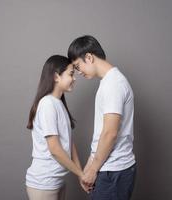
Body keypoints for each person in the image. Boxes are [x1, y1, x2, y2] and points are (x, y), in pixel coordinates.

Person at [68, 35, 137, 200]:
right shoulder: (109, 82)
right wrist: (90, 165)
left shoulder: (113, 84)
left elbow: (110, 133)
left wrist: (92, 170)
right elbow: (102, 133)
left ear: (89, 57)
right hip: (108, 169)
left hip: (113, 172)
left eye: (78, 66)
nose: (79, 72)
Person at [26, 55, 83, 200]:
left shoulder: (58, 103)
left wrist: (80, 174)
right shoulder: (47, 104)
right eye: (71, 74)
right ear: (57, 77)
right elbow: (55, 149)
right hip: (43, 183)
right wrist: (81, 174)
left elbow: (69, 143)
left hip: (56, 181)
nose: (74, 78)